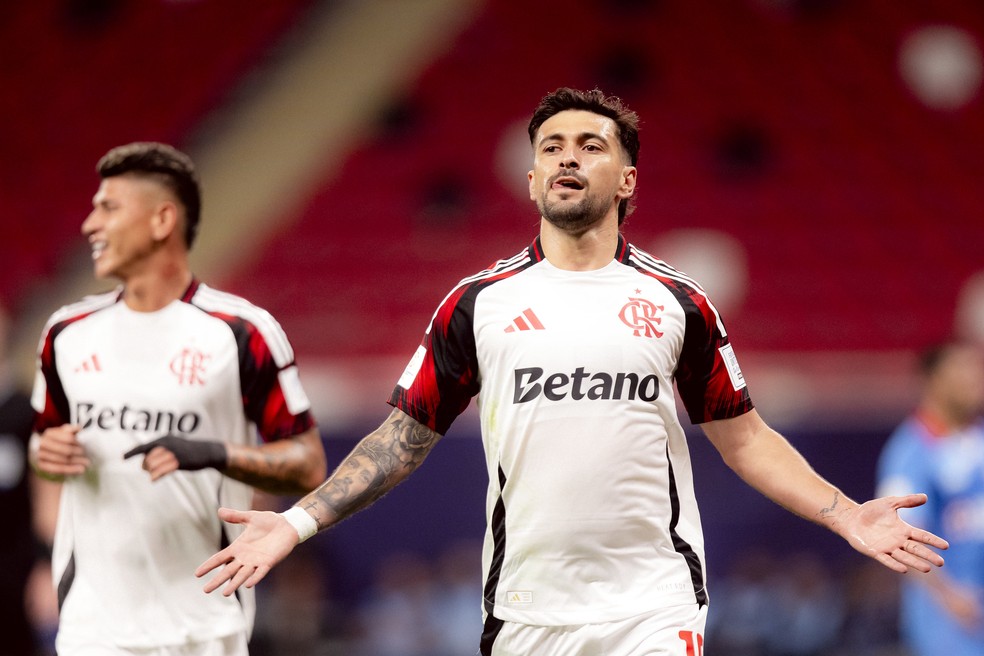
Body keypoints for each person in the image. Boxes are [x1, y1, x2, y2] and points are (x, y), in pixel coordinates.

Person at [197, 88, 948, 655]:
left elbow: (745, 440)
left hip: (653, 607)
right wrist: (295, 525)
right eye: (551, 145)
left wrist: (846, 513)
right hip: (525, 609)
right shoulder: (476, 305)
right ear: (531, 180)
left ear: (626, 180)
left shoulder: (678, 302)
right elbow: (403, 438)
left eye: (590, 145)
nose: (566, 156)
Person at [29, 142, 328, 655]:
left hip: (203, 623)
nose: (89, 225)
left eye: (109, 207)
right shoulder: (65, 332)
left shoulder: (242, 332)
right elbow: (44, 453)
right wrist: (48, 456)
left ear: (162, 219)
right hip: (91, 624)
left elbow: (307, 463)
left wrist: (214, 453)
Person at [876, 341, 984, 655]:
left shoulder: (977, 440)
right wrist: (949, 596)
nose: (974, 379)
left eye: (976, 369)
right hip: (952, 624)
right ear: (933, 381)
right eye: (962, 370)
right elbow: (898, 538)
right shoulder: (910, 452)